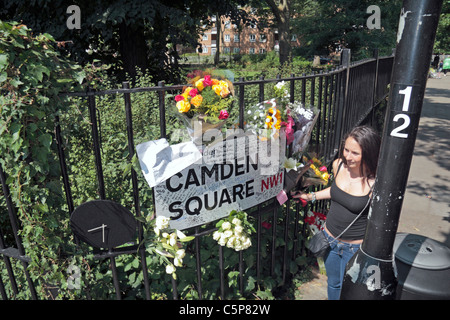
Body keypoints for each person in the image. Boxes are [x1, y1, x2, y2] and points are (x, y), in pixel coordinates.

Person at [292, 125, 381, 300]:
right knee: (333, 283)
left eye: (355, 153)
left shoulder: (375, 182)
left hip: (354, 248)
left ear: (368, 153)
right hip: (330, 239)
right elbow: (335, 191)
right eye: (346, 150)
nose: (348, 156)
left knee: (350, 290)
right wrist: (309, 196)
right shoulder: (338, 165)